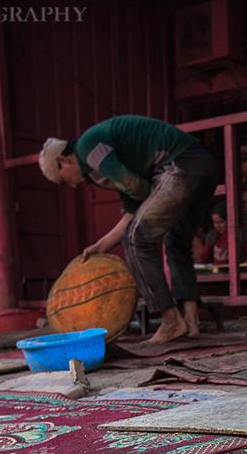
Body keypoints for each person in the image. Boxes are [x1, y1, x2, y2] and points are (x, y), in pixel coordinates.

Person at [39, 115, 217, 343]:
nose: (73, 186)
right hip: (202, 163)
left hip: (180, 163)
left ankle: (171, 321)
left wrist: (147, 198)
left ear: (63, 161)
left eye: (64, 181)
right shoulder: (108, 163)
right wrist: (100, 246)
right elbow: (133, 210)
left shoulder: (87, 146)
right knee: (176, 241)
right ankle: (191, 323)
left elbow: (135, 188)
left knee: (136, 239)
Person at [195, 199, 247, 266]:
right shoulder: (212, 235)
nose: (218, 226)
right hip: (218, 272)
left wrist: (241, 268)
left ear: (230, 219)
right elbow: (205, 255)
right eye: (215, 223)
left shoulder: (242, 234)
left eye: (221, 222)